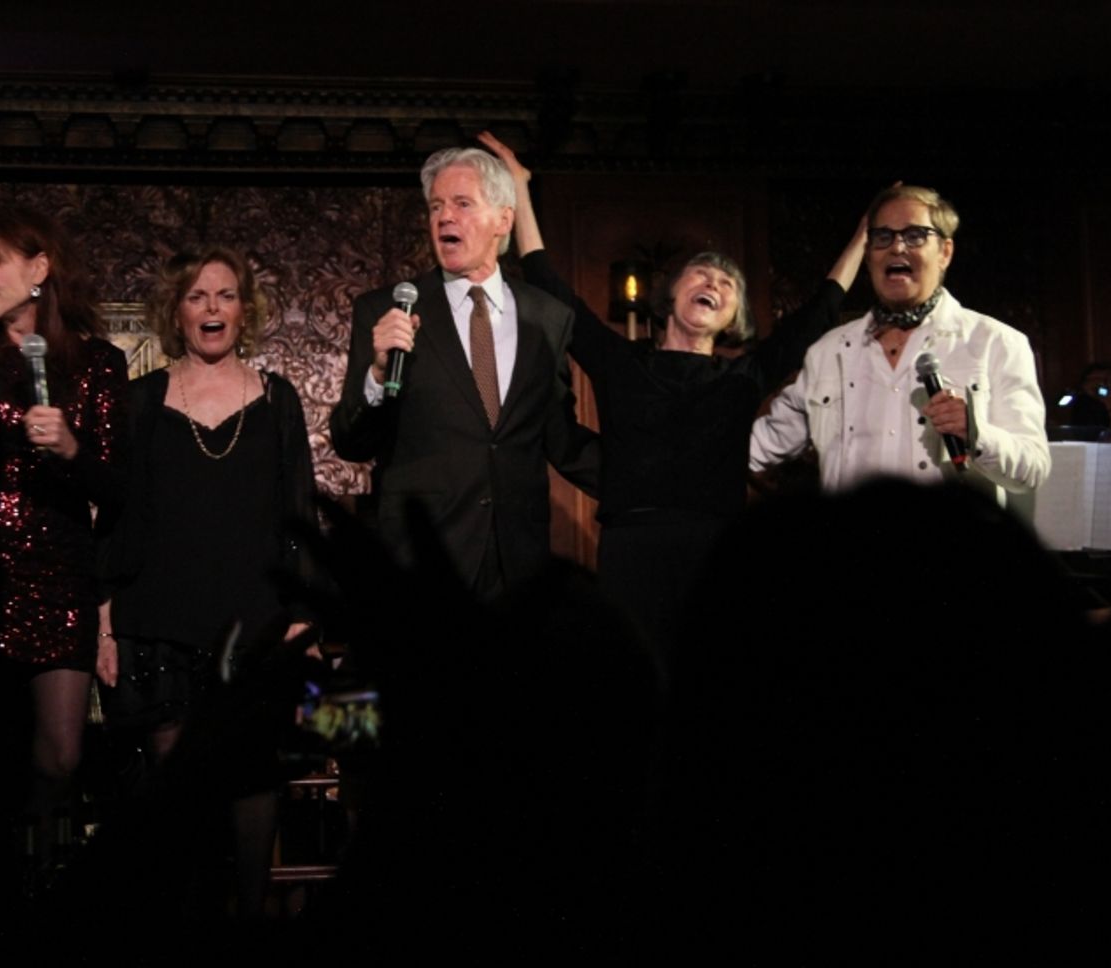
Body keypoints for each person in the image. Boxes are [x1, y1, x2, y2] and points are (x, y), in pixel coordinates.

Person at [478, 132, 867, 657]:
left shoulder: (743, 376)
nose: (715, 282)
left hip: (716, 548)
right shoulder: (623, 364)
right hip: (632, 546)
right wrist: (522, 189)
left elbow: (818, 311)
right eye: (702, 274)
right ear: (672, 293)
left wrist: (867, 236)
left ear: (734, 317)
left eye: (728, 285)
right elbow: (549, 283)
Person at [97, 247, 317, 918]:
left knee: (253, 785)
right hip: (159, 625)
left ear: (244, 310)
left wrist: (304, 625)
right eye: (198, 296)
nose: (212, 307)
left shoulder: (279, 401)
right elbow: (115, 517)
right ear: (177, 312)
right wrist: (103, 623)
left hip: (253, 629)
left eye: (225, 295)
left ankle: (250, 928)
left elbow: (301, 515)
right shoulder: (141, 401)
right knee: (178, 800)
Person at [329, 145, 597, 600]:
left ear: (503, 220)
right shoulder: (386, 309)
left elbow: (561, 439)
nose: (444, 217)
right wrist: (376, 374)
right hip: (422, 561)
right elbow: (351, 441)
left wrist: (654, 483)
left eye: (462, 204)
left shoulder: (547, 318)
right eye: (436, 206)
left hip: (517, 565)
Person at [0, 206, 129, 866]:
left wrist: (70, 449)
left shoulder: (96, 364)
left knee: (60, 756)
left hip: (60, 575)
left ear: (38, 269)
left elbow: (118, 489)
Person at [749, 184, 1050, 504]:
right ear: (868, 256)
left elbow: (1031, 469)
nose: (897, 247)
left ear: (945, 252)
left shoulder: (996, 343)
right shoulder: (829, 351)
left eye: (915, 235)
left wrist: (976, 433)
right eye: (883, 237)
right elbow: (762, 444)